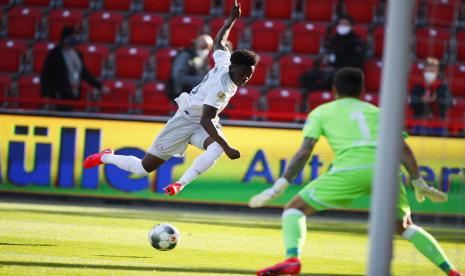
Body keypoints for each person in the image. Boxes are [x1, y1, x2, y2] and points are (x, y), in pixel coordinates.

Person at [250, 68, 462, 276]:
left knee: (294, 210)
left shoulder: (322, 112)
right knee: (405, 226)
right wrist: (418, 181)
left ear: (334, 90)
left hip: (350, 169)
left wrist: (280, 185)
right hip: (387, 170)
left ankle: (292, 260)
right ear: (362, 92)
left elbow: (305, 151)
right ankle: (451, 271)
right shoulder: (378, 112)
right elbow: (403, 149)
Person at [82, 0, 258, 196]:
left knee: (215, 148)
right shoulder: (222, 88)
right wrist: (228, 147)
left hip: (202, 121)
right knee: (142, 169)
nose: (245, 78)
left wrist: (231, 19)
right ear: (233, 66)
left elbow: (219, 41)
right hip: (187, 119)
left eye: (249, 75)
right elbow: (206, 119)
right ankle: (106, 157)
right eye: (243, 73)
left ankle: (180, 184)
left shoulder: (226, 61)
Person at [40, 26, 108, 111]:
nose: (75, 39)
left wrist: (99, 86)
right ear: (65, 38)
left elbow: (85, 73)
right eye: (73, 36)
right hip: (59, 96)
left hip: (73, 94)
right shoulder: (55, 54)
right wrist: (46, 95)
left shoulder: (77, 54)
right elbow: (45, 75)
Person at [299, 15, 366, 94]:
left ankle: (326, 93)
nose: (342, 26)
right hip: (331, 69)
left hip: (345, 73)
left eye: (345, 24)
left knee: (331, 81)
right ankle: (319, 94)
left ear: (352, 27)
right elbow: (329, 54)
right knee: (305, 78)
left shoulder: (356, 43)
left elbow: (356, 64)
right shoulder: (335, 39)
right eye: (340, 24)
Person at [167, 34, 214, 100]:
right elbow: (178, 78)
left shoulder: (204, 58)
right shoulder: (185, 55)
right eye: (202, 47)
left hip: (197, 95)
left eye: (207, 48)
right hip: (182, 95)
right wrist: (203, 79)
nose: (204, 51)